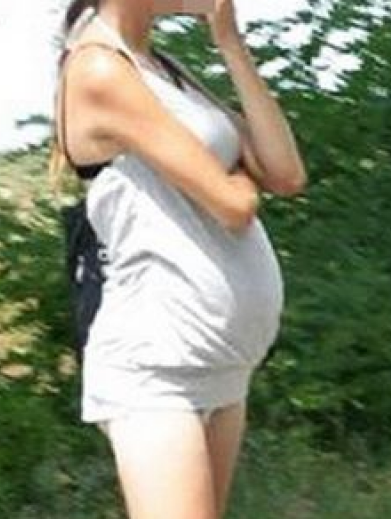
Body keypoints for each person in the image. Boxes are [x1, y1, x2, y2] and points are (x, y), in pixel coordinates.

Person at [49, 1, 306, 518]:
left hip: (220, 363)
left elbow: (285, 173)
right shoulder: (98, 67)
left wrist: (230, 43)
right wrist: (238, 178)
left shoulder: (165, 68)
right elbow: (234, 207)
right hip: (157, 363)